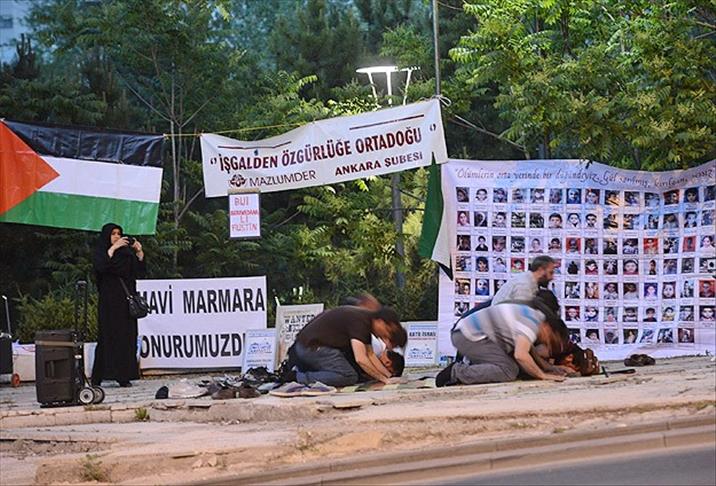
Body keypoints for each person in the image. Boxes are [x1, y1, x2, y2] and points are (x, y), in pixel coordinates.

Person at [436, 302, 566, 387]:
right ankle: (456, 372)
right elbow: (521, 355)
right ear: (548, 328)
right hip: (468, 336)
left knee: (513, 368)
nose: (547, 343)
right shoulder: (532, 323)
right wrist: (542, 375)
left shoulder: (533, 316)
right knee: (509, 370)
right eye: (551, 340)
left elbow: (528, 349)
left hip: (469, 334)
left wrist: (548, 367)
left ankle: (465, 370)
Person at [292, 306, 406, 387]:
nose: (385, 336)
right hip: (310, 347)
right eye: (387, 331)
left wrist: (389, 376)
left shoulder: (366, 320)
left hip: (312, 346)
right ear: (381, 322)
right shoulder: (360, 322)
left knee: (350, 373)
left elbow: (370, 355)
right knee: (348, 376)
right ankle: (296, 377)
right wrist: (384, 380)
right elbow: (361, 359)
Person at [91, 223, 146, 387]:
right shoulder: (101, 252)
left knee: (126, 338)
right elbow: (101, 267)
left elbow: (139, 272)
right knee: (107, 338)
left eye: (119, 234)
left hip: (125, 302)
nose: (116, 236)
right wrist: (113, 248)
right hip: (109, 302)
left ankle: (124, 376)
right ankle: (99, 376)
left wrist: (139, 252)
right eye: (113, 234)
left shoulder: (126, 254)